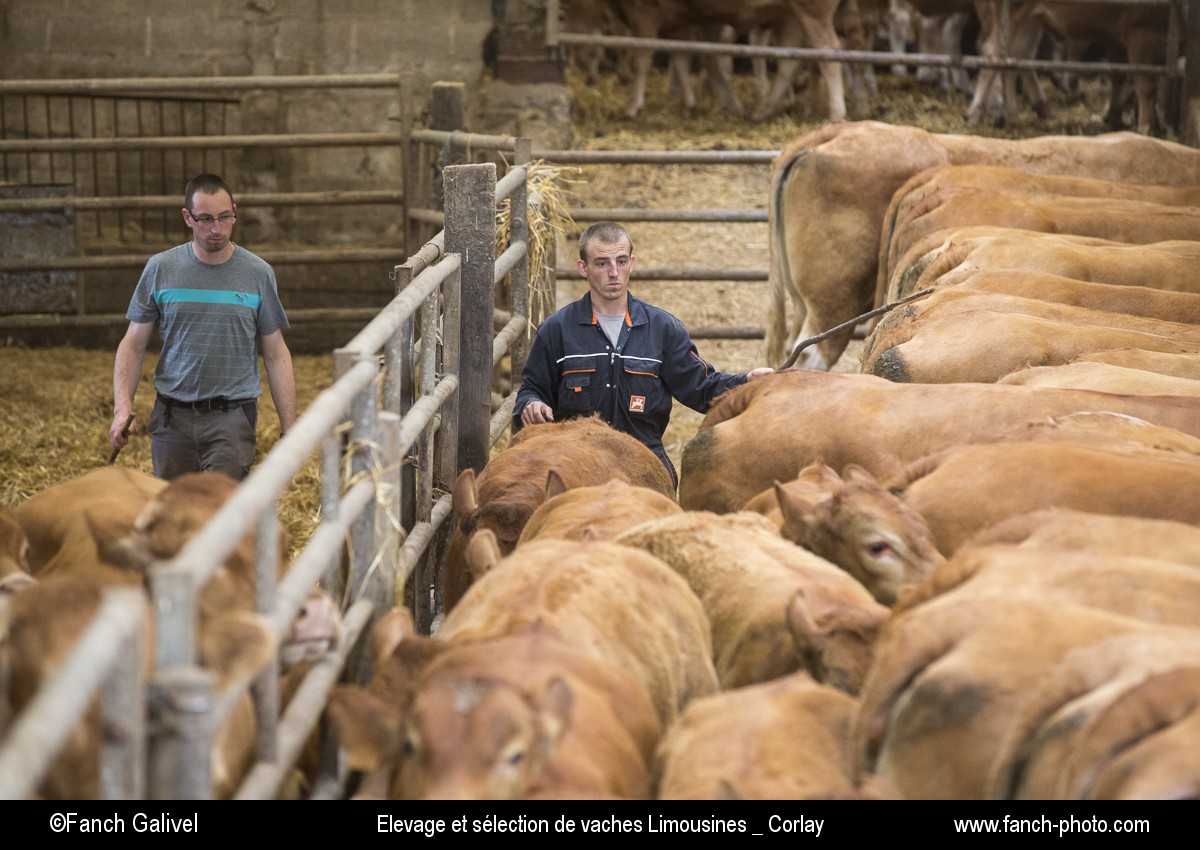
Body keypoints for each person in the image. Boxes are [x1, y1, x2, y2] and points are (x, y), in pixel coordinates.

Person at [513, 220, 773, 489]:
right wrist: (531, 403)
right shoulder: (557, 330)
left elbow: (703, 388)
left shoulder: (662, 329)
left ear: (632, 263)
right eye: (602, 263)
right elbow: (531, 390)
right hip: (577, 467)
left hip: (644, 465)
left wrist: (746, 382)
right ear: (583, 268)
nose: (614, 272)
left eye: (621, 261)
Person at [109, 173, 297, 481]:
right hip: (172, 417)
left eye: (225, 218)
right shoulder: (161, 269)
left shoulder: (258, 273)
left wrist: (290, 430)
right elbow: (132, 344)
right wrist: (122, 409)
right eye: (205, 219)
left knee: (222, 515)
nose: (216, 229)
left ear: (234, 211)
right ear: (187, 217)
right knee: (174, 514)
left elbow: (276, 354)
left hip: (231, 417)